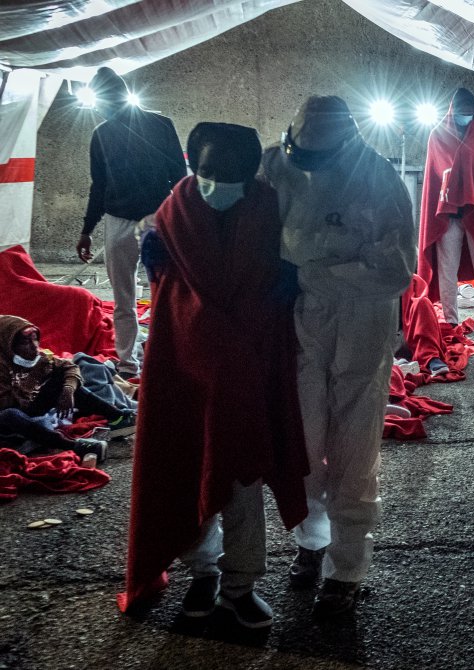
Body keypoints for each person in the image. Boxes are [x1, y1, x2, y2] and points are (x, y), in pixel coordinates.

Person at [121, 123, 309, 629]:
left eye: (226, 175)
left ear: (249, 176)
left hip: (247, 372)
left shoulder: (269, 211)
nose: (214, 184)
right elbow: (169, 301)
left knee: (242, 480)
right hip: (185, 369)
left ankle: (240, 585)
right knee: (187, 467)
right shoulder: (170, 218)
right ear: (192, 167)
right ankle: (202, 573)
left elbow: (278, 285)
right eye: (206, 173)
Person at [261, 96, 416, 618]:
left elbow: (395, 269)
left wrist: (310, 274)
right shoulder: (274, 163)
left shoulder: (378, 180)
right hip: (298, 316)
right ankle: (310, 544)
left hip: (360, 319)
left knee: (353, 445)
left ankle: (346, 569)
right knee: (301, 441)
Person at [76, 67, 186, 379]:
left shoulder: (158, 125)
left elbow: (179, 176)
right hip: (123, 219)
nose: (103, 106)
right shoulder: (102, 134)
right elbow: (99, 185)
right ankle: (129, 364)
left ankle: (158, 358)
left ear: (120, 96)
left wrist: (183, 218)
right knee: (127, 295)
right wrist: (87, 229)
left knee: (162, 292)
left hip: (156, 219)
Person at [417, 88, 474, 339]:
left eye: (469, 113)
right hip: (448, 213)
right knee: (447, 267)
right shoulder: (438, 134)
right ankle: (451, 320)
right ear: (452, 111)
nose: (465, 116)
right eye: (461, 113)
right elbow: (435, 175)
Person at [0, 315, 134, 462]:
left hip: (30, 406)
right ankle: (73, 446)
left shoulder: (39, 356)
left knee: (64, 379)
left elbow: (70, 367)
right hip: (9, 419)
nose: (34, 346)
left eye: (35, 339)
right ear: (8, 344)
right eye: (26, 342)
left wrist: (68, 390)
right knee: (9, 414)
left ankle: (118, 417)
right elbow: (8, 402)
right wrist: (32, 379)